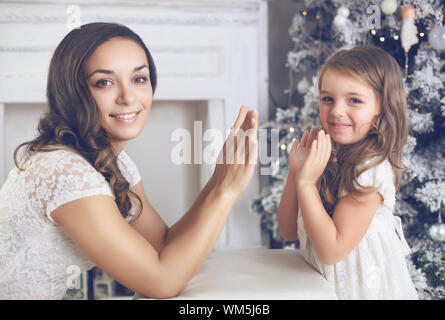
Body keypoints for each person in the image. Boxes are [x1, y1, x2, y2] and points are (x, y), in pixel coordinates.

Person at [0, 22, 258, 299]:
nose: (128, 97)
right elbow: (162, 282)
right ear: (72, 93)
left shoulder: (110, 160)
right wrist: (225, 192)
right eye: (104, 82)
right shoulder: (65, 172)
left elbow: (161, 244)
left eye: (139, 79)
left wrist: (218, 179)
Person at [277, 45, 418, 299]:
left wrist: (307, 185)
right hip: (321, 284)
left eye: (354, 100)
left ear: (382, 108)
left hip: (359, 291)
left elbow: (331, 251)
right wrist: (296, 172)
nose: (336, 111)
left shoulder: (370, 170)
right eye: (327, 98)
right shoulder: (325, 155)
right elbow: (287, 231)